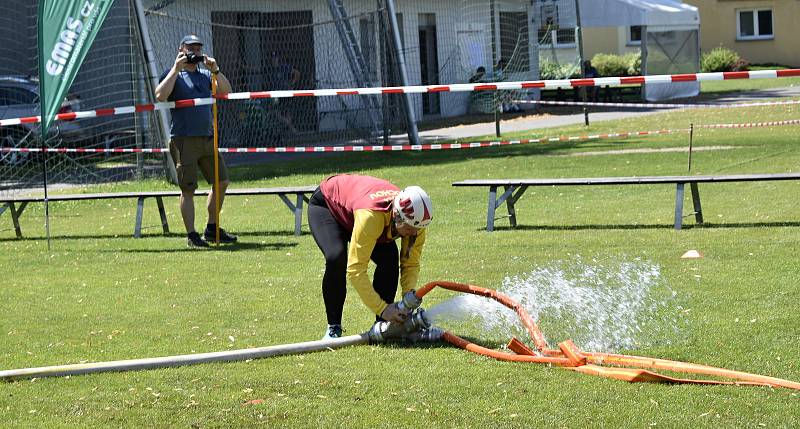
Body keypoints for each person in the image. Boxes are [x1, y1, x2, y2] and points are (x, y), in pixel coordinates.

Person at [307, 174, 433, 340]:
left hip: (358, 210)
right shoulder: (372, 217)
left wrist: (408, 299)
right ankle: (333, 327)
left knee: (389, 261)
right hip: (328, 206)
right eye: (410, 229)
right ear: (397, 216)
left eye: (417, 229)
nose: (414, 234)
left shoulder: (416, 222)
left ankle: (382, 326)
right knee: (336, 257)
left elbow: (410, 263)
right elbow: (356, 270)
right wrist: (383, 308)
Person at [155, 34, 237, 248]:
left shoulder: (204, 75)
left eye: (198, 49)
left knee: (221, 182)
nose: (195, 52)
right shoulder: (174, 74)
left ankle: (212, 228)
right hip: (184, 140)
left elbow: (227, 92)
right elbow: (160, 95)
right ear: (181, 49)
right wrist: (175, 69)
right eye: (191, 48)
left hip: (208, 138)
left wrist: (215, 70)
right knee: (188, 189)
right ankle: (191, 235)